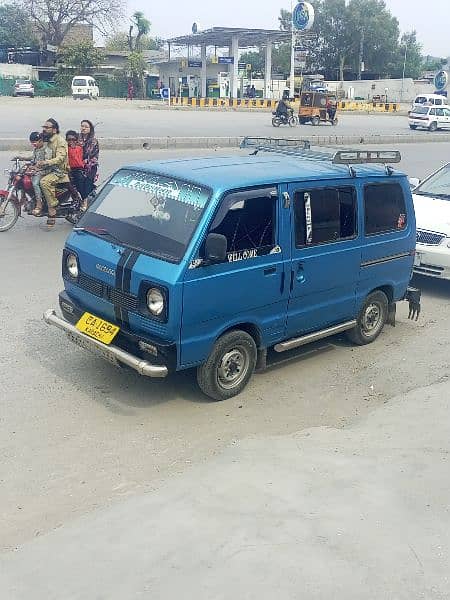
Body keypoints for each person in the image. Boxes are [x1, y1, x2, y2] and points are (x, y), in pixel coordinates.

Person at [37, 118, 70, 227]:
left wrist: (46, 162)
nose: (44, 129)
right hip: (49, 168)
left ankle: (52, 208)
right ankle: (38, 203)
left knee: (44, 182)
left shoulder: (60, 141)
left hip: (59, 170)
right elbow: (40, 153)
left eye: (47, 127)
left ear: (54, 130)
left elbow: (60, 158)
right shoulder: (46, 140)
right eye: (44, 127)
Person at [24, 132, 52, 216]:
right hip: (38, 170)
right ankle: (25, 199)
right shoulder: (36, 149)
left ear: (40, 141)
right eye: (32, 142)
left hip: (46, 171)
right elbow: (33, 160)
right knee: (24, 177)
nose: (33, 144)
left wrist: (36, 168)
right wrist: (25, 162)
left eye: (35, 142)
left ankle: (39, 204)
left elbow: (47, 163)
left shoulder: (47, 149)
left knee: (35, 183)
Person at [79, 119, 99, 206]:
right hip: (77, 164)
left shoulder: (93, 141)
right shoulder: (77, 139)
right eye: (82, 126)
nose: (83, 128)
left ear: (90, 129)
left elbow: (94, 157)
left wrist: (87, 163)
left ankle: (85, 202)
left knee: (86, 182)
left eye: (86, 127)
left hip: (90, 167)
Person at [66, 130, 86, 204]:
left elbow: (77, 160)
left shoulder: (78, 148)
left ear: (76, 140)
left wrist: (72, 148)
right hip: (67, 170)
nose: (71, 141)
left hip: (77, 169)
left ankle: (82, 200)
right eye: (69, 140)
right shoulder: (65, 148)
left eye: (73, 139)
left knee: (78, 185)